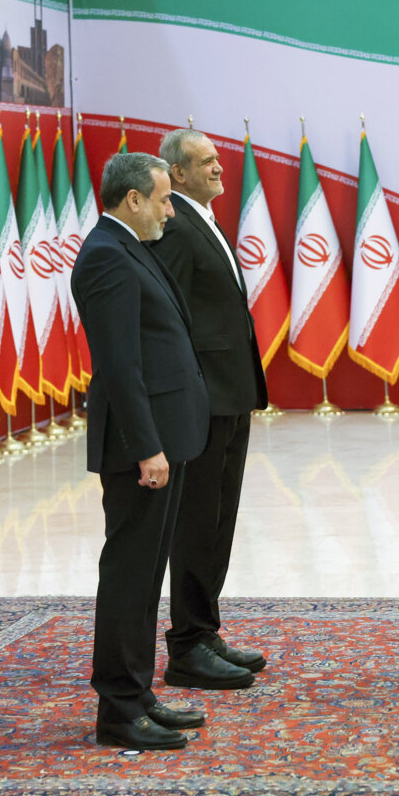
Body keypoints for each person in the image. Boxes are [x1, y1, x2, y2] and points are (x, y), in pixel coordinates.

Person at [70, 152, 211, 749]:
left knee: (148, 573)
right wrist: (147, 448)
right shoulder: (106, 255)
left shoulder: (130, 246)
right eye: (163, 199)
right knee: (129, 575)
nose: (170, 210)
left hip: (163, 436)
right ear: (133, 199)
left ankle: (139, 694)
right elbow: (120, 365)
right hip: (140, 446)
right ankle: (119, 709)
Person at [150, 129, 269, 690]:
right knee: (199, 522)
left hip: (231, 393)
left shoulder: (206, 219)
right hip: (203, 398)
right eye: (206, 161)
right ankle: (187, 646)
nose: (220, 168)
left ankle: (205, 630)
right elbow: (168, 316)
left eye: (218, 159)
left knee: (220, 518)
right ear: (177, 173)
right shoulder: (176, 226)